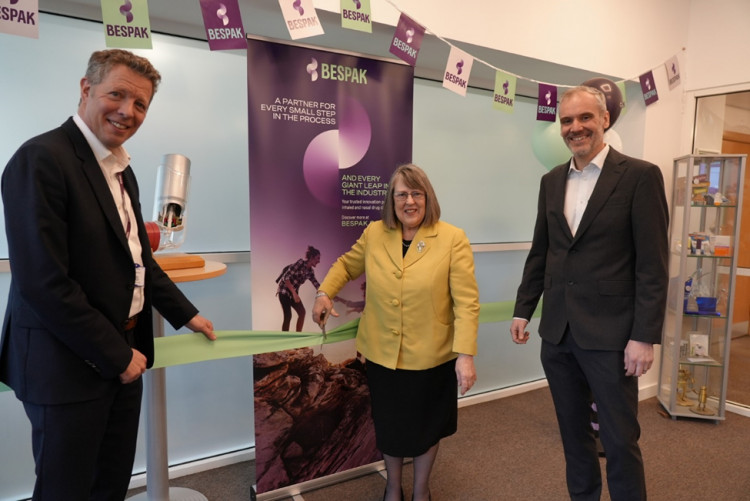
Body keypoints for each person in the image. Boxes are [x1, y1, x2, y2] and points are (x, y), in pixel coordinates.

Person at [0, 49, 216, 501]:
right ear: (86, 89)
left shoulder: (122, 169)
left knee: (109, 484)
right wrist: (117, 356)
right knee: (67, 490)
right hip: (66, 364)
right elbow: (44, 282)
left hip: (125, 353)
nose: (128, 111)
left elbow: (137, 261)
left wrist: (188, 315)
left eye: (140, 104)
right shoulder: (41, 159)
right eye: (116, 95)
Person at [510, 85, 669, 501]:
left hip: (613, 338)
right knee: (574, 439)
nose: (574, 128)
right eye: (566, 121)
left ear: (605, 120)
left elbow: (653, 265)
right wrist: (523, 309)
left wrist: (644, 335)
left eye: (584, 118)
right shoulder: (551, 181)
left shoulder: (639, 176)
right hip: (558, 334)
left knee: (618, 441)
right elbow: (541, 250)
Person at [312, 164, 479, 501]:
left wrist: (465, 355)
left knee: (427, 426)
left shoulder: (452, 238)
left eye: (416, 193)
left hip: (432, 355)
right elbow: (346, 265)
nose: (410, 201)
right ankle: (392, 487)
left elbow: (467, 301)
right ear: (392, 199)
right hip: (383, 354)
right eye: (401, 194)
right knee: (389, 426)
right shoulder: (375, 233)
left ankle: (421, 490)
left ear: (427, 197)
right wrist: (324, 292)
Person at [276, 245, 321, 331]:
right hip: (284, 290)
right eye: (317, 258)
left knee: (302, 312)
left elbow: (316, 285)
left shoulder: (310, 272)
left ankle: (298, 339)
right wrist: (294, 293)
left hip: (293, 293)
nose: (319, 261)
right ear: (311, 257)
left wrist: (328, 293)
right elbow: (286, 278)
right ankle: (284, 341)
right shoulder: (300, 263)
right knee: (288, 315)